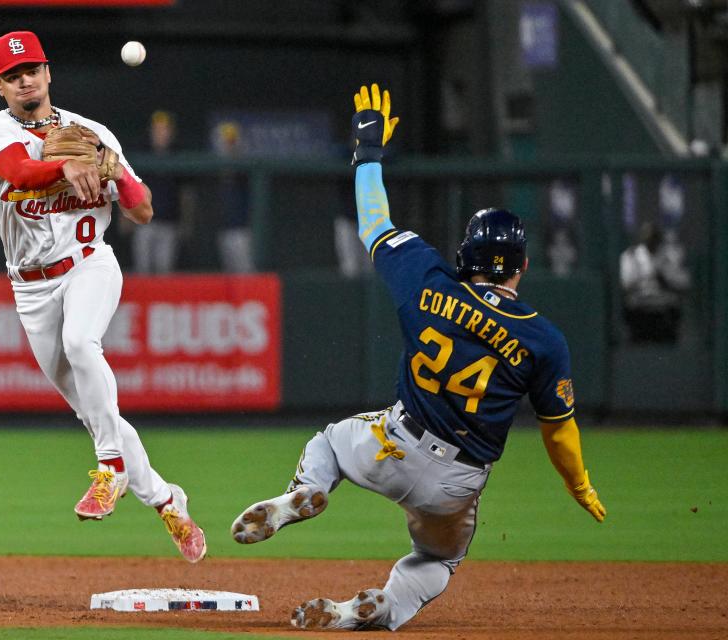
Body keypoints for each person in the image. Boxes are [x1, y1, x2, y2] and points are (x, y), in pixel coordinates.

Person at [230, 84, 606, 630]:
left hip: (392, 444)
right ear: (521, 266)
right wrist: (579, 484)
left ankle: (306, 492)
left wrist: (368, 153)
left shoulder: (428, 279)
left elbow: (373, 222)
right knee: (440, 560)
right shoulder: (543, 338)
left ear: (465, 255)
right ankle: (368, 610)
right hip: (457, 483)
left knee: (330, 444)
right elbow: (559, 432)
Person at [0, 31, 205, 563]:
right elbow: (22, 172)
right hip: (31, 289)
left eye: (31, 68)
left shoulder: (94, 133)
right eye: (12, 75)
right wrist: (65, 167)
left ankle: (111, 469)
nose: (24, 79)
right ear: (0, 87)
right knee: (97, 411)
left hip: (89, 265)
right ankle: (168, 500)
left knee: (82, 341)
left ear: (48, 73)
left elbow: (143, 210)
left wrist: (113, 168)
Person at [619, 221, 690, 343]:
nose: (650, 242)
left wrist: (664, 277)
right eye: (647, 238)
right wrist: (643, 278)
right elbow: (625, 283)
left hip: (664, 305)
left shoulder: (670, 256)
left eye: (654, 239)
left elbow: (684, 282)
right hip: (640, 304)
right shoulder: (631, 256)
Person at [131, 111, 182, 273]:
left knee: (164, 270)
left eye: (164, 129)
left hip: (169, 221)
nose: (161, 133)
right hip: (144, 222)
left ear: (170, 132)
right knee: (142, 269)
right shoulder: (142, 153)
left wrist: (186, 220)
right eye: (157, 129)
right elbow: (127, 188)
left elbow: (186, 194)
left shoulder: (177, 155)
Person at [213, 121, 255, 273]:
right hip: (224, 228)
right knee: (228, 273)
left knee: (245, 272)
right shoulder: (217, 168)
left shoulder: (244, 167)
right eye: (225, 141)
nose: (228, 145)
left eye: (231, 141)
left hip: (242, 229)